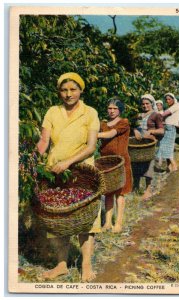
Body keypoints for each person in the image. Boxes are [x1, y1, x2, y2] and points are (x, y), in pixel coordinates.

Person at [37, 72, 100, 282]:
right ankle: (61, 265)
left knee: (86, 218)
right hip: (55, 171)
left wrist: (68, 162)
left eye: (73, 89)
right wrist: (32, 158)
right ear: (59, 92)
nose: (68, 94)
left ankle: (86, 265)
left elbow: (91, 147)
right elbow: (44, 141)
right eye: (64, 90)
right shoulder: (52, 111)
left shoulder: (90, 113)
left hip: (82, 172)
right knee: (58, 218)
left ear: (81, 90)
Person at [97, 97, 133, 233]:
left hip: (120, 162)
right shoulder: (103, 124)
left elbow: (110, 134)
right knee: (108, 192)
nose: (111, 111)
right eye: (109, 108)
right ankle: (107, 222)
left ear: (120, 110)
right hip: (106, 162)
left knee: (120, 193)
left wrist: (94, 135)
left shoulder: (124, 123)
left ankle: (118, 223)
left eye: (115, 108)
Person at [132, 94, 164, 201]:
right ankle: (135, 187)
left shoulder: (156, 115)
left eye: (147, 104)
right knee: (136, 164)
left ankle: (148, 190)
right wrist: (135, 130)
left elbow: (161, 130)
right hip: (139, 144)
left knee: (148, 165)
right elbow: (135, 126)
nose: (145, 106)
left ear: (152, 104)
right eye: (143, 104)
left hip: (149, 144)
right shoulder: (139, 115)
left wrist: (150, 131)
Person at [156, 92, 179, 172]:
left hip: (170, 128)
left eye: (169, 99)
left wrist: (153, 117)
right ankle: (169, 168)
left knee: (167, 148)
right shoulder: (172, 106)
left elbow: (164, 114)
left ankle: (174, 166)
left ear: (173, 99)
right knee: (165, 147)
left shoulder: (176, 106)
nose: (167, 101)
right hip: (168, 127)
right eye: (166, 99)